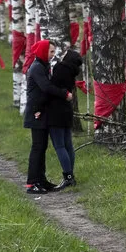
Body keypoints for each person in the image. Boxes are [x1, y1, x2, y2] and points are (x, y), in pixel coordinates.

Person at [23, 40, 73, 194]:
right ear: (43, 51)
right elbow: (46, 87)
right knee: (37, 147)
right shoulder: (37, 67)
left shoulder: (43, 66)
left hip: (42, 112)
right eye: (51, 52)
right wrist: (64, 94)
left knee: (42, 147)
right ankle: (32, 183)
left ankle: (41, 180)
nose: (53, 55)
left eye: (53, 52)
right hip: (35, 113)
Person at [46, 49, 82, 190]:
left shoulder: (60, 68)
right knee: (68, 145)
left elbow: (52, 87)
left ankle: (68, 177)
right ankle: (70, 175)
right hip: (67, 110)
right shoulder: (72, 71)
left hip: (56, 110)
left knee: (59, 145)